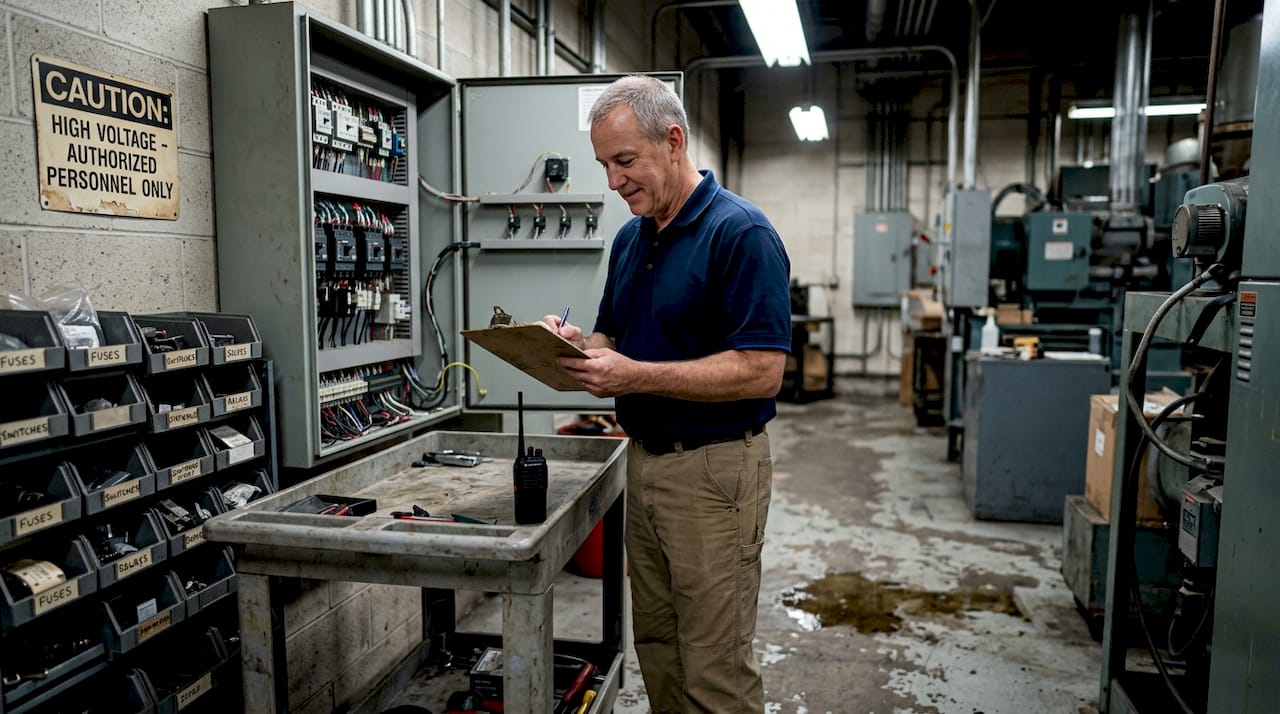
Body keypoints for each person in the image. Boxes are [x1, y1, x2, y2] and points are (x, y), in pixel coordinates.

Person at [542, 74, 792, 713]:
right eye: (604, 164)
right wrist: (574, 344)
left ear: (673, 141)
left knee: (715, 664)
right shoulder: (632, 238)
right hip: (644, 462)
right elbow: (611, 336)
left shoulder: (741, 234)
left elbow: (762, 370)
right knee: (657, 643)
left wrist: (636, 375)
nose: (613, 180)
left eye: (625, 161)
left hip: (714, 470)